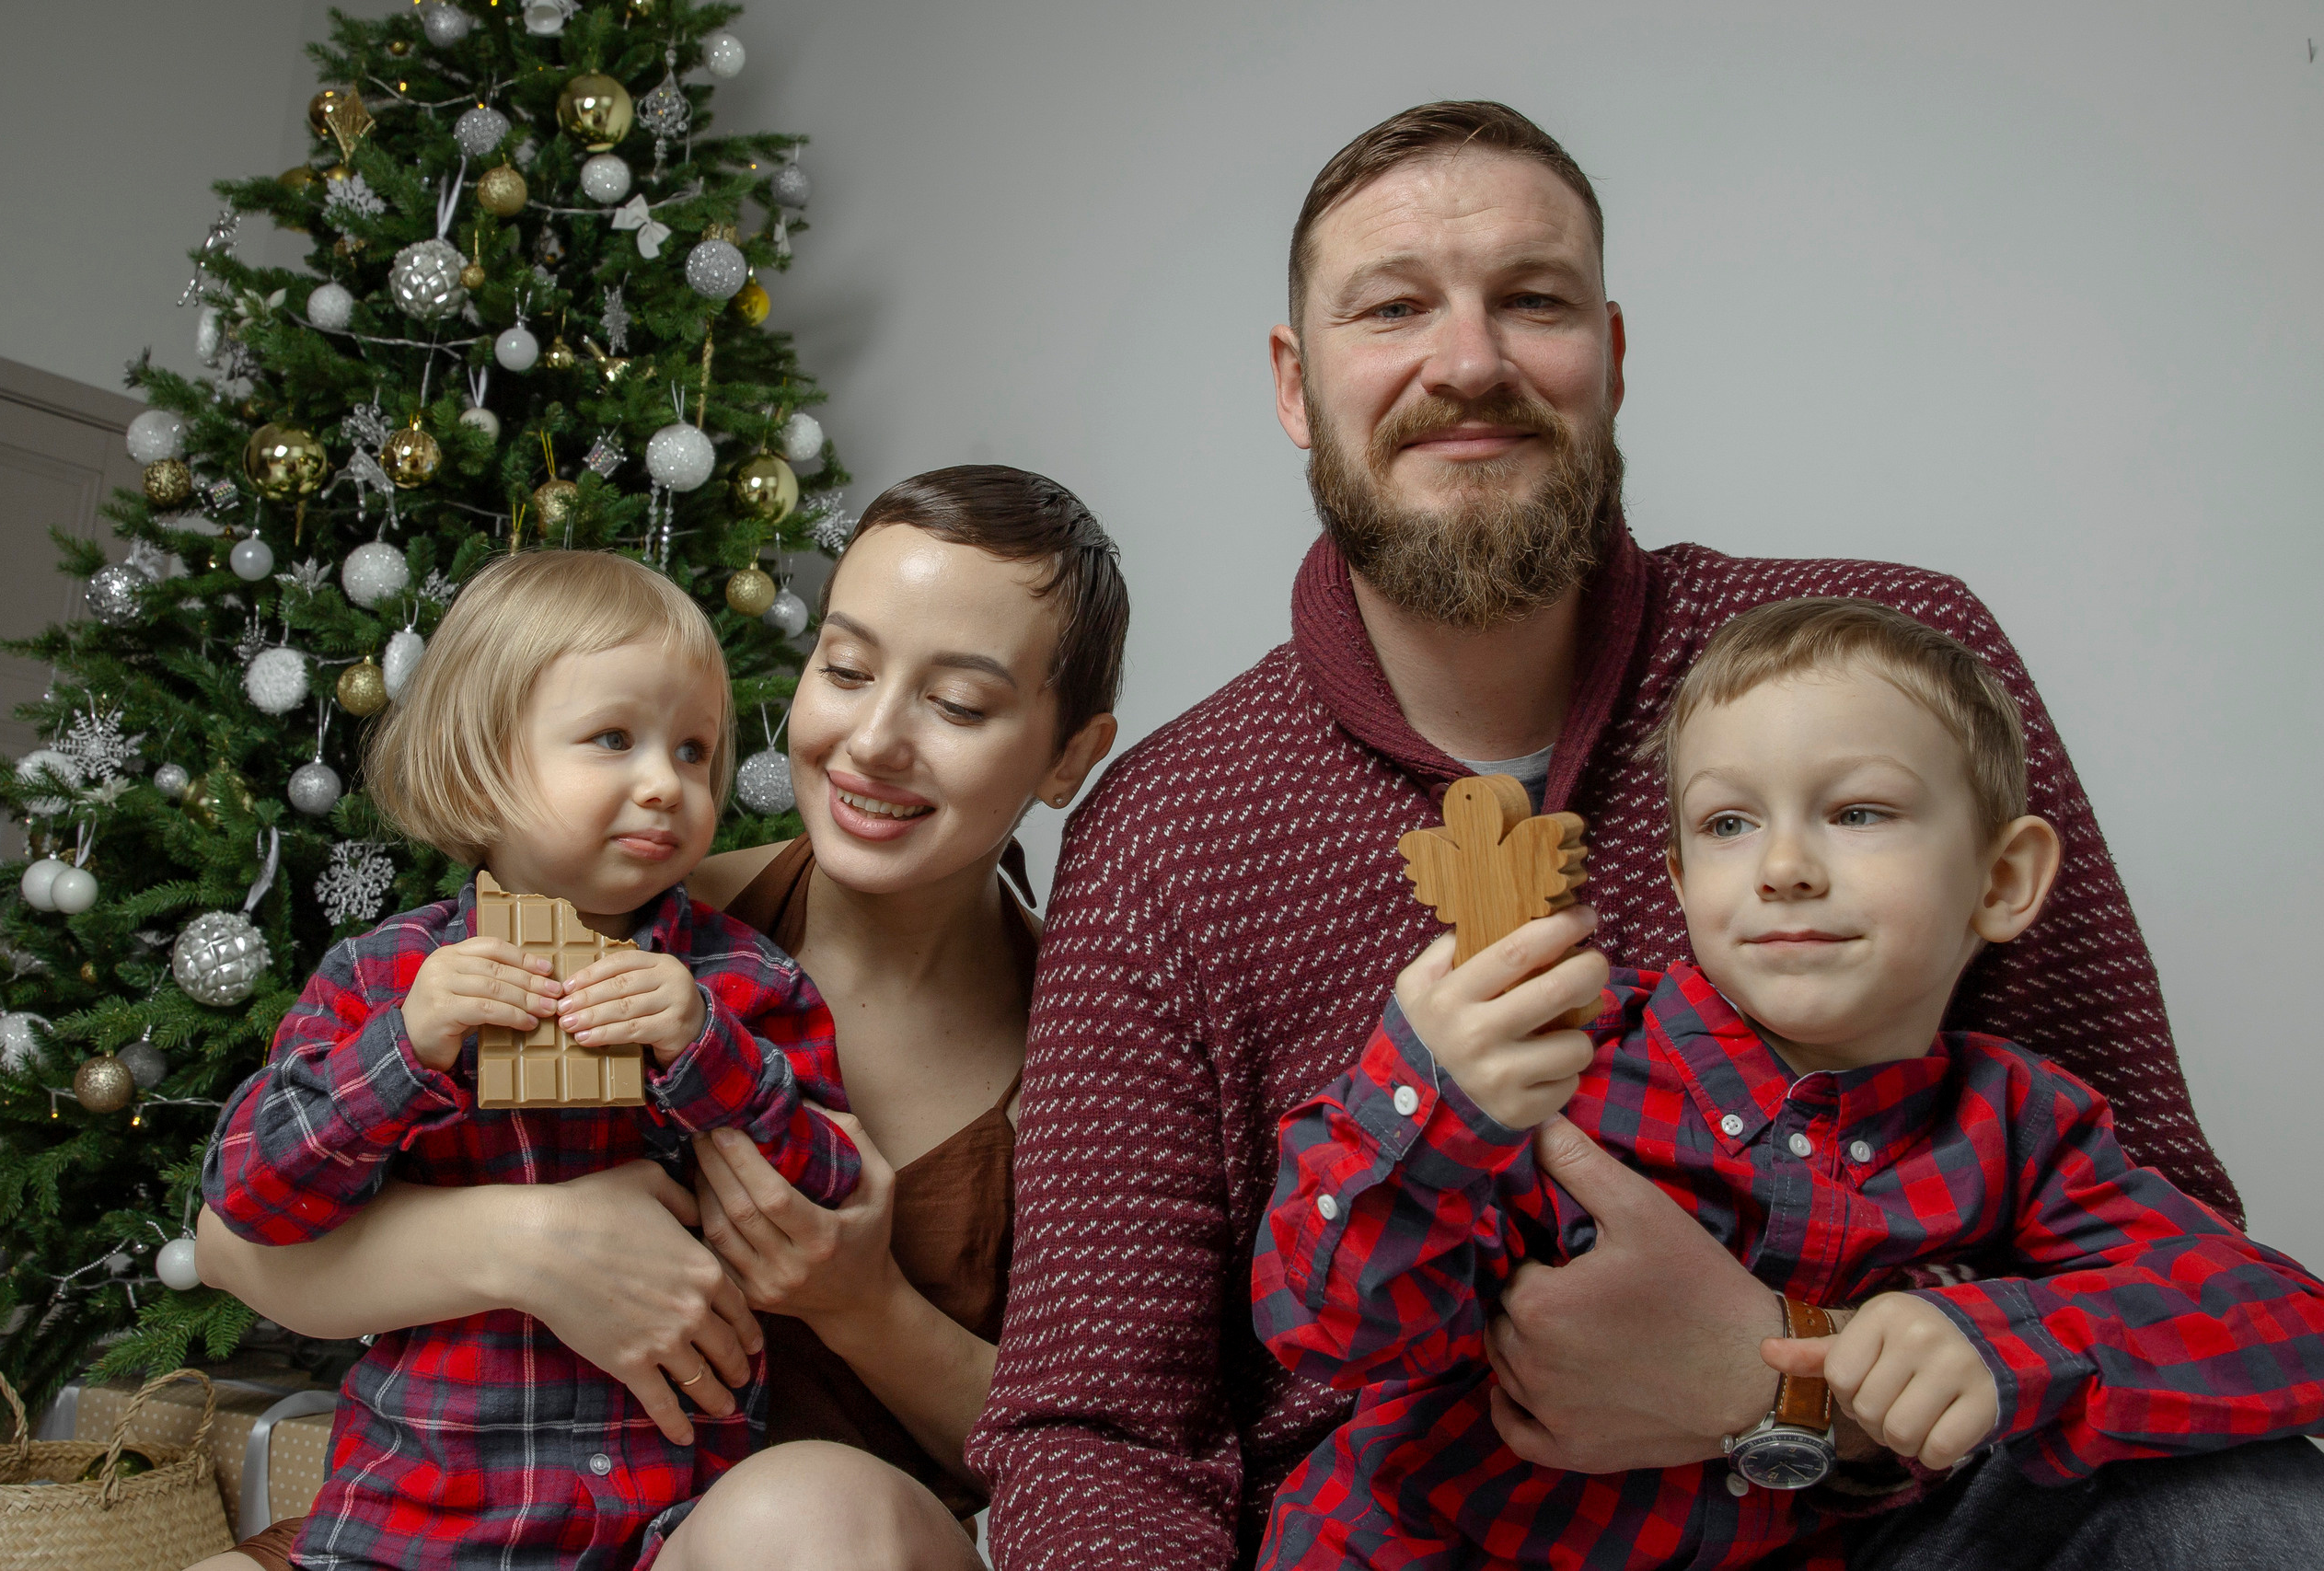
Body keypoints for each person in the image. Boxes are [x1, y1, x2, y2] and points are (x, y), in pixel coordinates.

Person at [967, 101, 2289, 1570]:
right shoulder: (1166, 833)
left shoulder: (1894, 673)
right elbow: (1096, 1430)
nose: (1468, 362)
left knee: (2261, 1510)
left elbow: (2172, 1238)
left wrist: (1791, 1373)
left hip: (1918, 1514)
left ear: (1611, 354)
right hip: (1449, 1529)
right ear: (1296, 381)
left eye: (1530, 302)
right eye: (1394, 306)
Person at [1252, 597, 2324, 1568]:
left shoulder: (2018, 1122)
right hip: (1464, 1549)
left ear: (2001, 880)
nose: (1783, 867)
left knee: (2276, 1493)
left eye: (1857, 812)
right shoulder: (1568, 1068)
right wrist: (1436, 1104)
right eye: (1728, 825)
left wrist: (2006, 1340)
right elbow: (1333, 1326)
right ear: (1678, 883)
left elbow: (2279, 1319)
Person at [191, 468, 1126, 1571]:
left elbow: (1097, 1462)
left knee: (809, 1515)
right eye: (846, 668)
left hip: (746, 1540)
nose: (873, 742)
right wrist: (535, 1245)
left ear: (1070, 755)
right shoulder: (631, 914)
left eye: (959, 704)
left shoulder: (1093, 1049)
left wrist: (861, 1300)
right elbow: (233, 1239)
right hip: (441, 1528)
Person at [201, 550, 863, 1569]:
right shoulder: (386, 976)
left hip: (669, 1518)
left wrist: (706, 1053)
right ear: (482, 763)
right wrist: (406, 1051)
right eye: (613, 739)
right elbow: (250, 1195)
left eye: (693, 751)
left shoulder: (742, 982)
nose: (664, 785)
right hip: (421, 1519)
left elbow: (828, 1187)